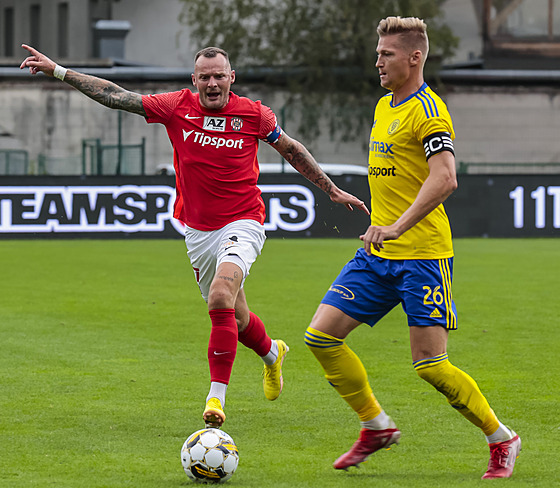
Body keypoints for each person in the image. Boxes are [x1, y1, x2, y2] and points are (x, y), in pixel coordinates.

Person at [20, 44, 369, 429]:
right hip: (198, 231)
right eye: (205, 76)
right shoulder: (176, 107)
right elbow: (116, 96)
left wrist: (331, 189)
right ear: (194, 80)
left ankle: (215, 400)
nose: (212, 82)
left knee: (220, 296)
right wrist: (59, 71)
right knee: (234, 316)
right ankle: (272, 354)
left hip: (244, 221)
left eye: (219, 75)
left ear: (231, 77)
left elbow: (291, 149)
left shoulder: (254, 114)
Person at [304, 16, 520, 480]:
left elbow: (446, 178)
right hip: (377, 254)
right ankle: (375, 425)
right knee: (321, 337)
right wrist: (386, 230)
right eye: (378, 53)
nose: (377, 61)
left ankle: (502, 438)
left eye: (387, 54)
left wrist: (398, 226)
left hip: (421, 255)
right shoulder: (385, 106)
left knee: (431, 366)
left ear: (414, 57)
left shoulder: (430, 111)